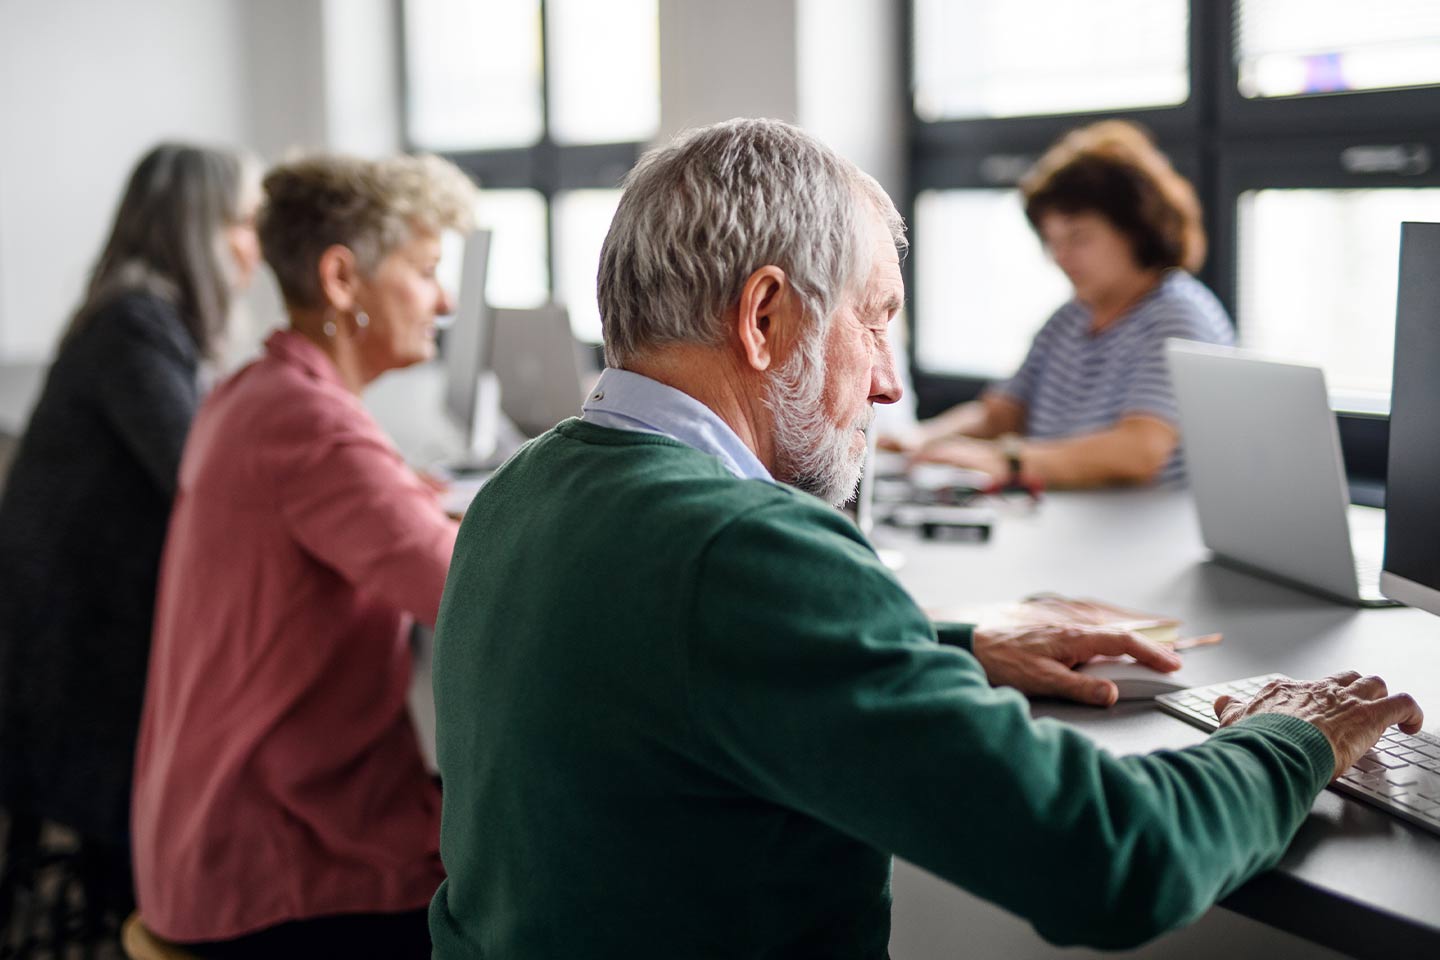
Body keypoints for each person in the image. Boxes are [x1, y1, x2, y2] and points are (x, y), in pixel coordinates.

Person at [427, 118, 1423, 957]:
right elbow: (1113, 859)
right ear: (765, 316)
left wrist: (953, 649)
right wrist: (1290, 737)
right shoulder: (751, 555)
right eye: (876, 320)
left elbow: (666, 665)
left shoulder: (524, 489)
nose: (889, 385)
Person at [129, 153, 476, 958]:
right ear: (342, 278)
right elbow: (475, 590)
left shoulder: (256, 392)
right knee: (525, 896)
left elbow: (370, 502)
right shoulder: (310, 427)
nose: (447, 300)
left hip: (205, 840)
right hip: (268, 868)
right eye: (426, 272)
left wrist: (421, 495)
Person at [0, 143, 260, 893]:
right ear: (195, 228)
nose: (255, 245)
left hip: (81, 645)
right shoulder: (133, 325)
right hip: (80, 670)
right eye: (242, 222)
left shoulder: (137, 318)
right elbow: (200, 474)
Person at [883, 120, 1234, 487]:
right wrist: (918, 439)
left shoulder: (1178, 313)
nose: (1061, 257)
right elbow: (999, 415)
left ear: (1136, 228)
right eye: (1052, 241)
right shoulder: (1069, 319)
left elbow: (1139, 451)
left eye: (1079, 238)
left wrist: (1009, 462)